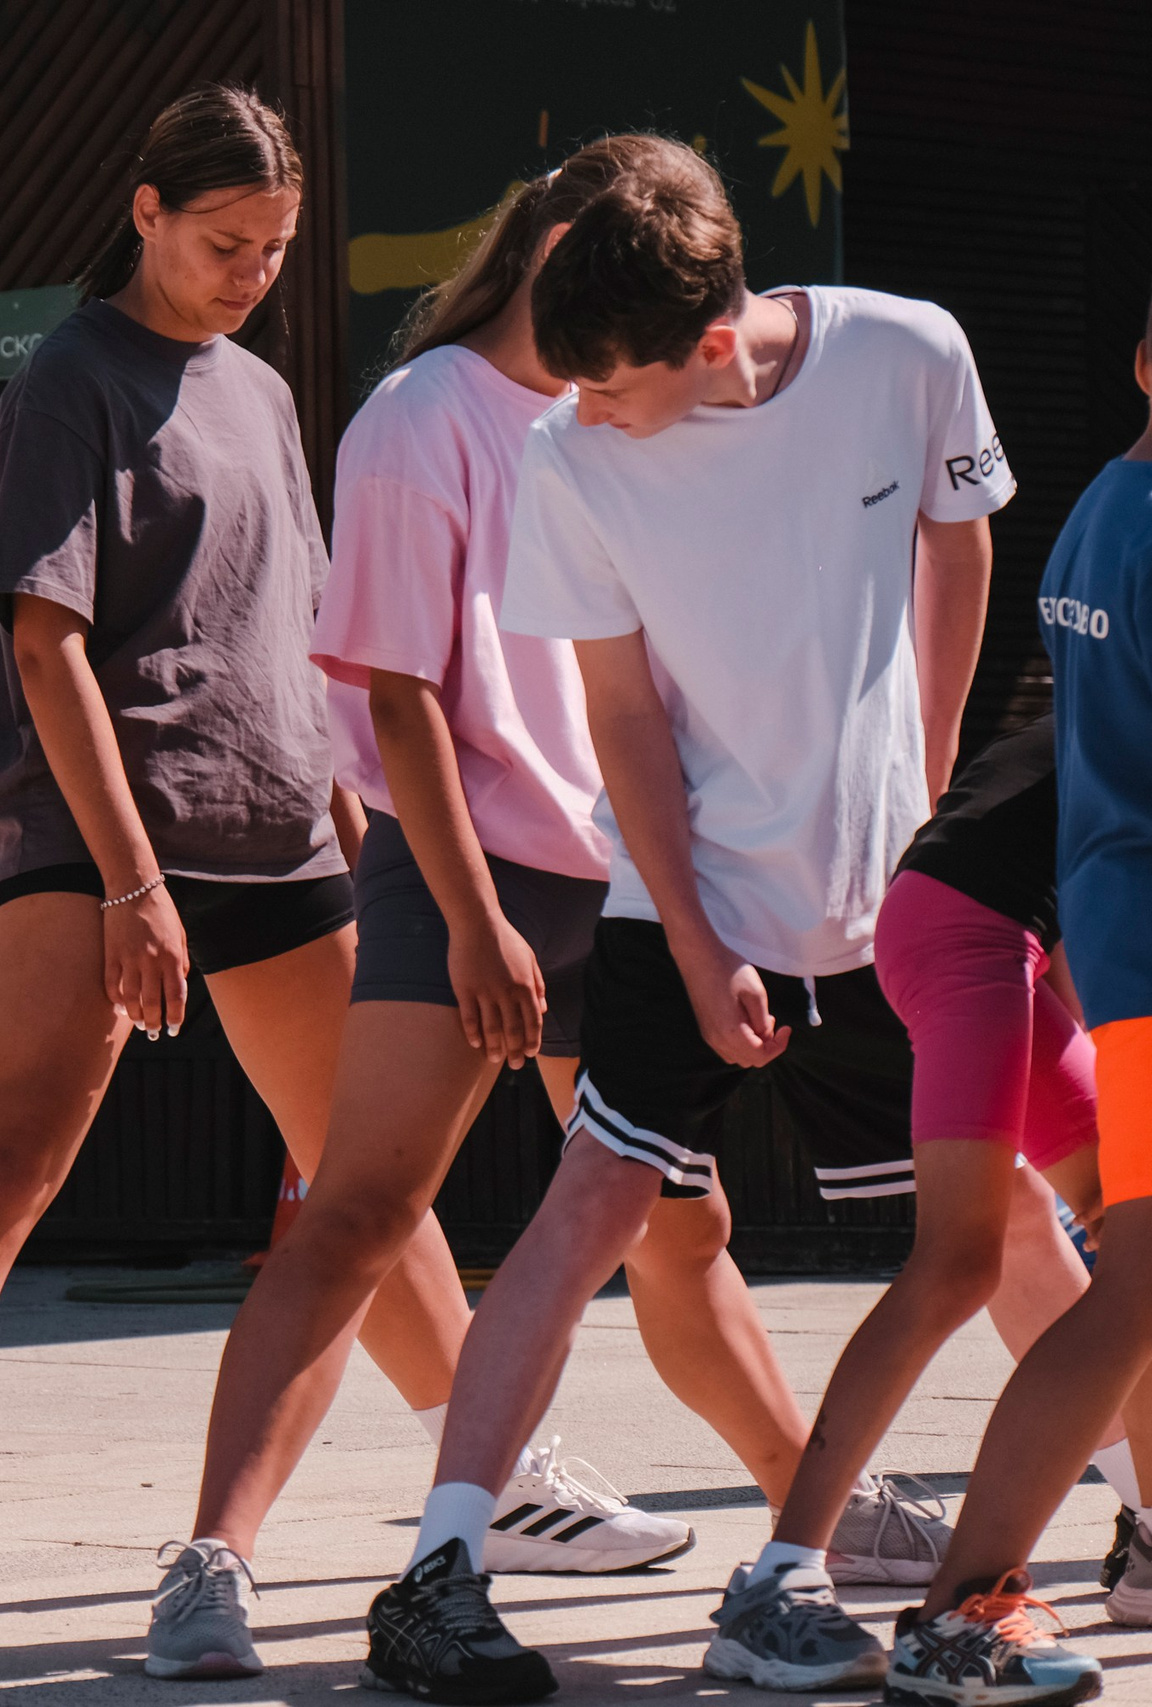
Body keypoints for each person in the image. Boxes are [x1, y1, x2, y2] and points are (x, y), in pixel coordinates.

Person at [0, 85, 492, 1667]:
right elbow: (47, 639)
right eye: (228, 241)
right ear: (147, 208)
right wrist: (125, 880)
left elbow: (295, 618)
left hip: (284, 832)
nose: (252, 271)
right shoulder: (63, 380)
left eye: (278, 249)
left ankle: (493, 1486)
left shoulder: (259, 387)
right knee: (6, 1164)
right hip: (107, 837)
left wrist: (356, 814)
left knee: (366, 1180)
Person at [166, 137, 863, 1683]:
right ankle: (212, 1558)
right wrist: (475, 919)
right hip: (470, 865)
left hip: (632, 868)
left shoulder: (634, 407)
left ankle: (815, 1495)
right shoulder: (423, 415)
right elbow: (398, 691)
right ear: (548, 240)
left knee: (684, 1229)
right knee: (356, 1208)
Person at [366, 137, 1015, 1702]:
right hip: (685, 894)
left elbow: (960, 543)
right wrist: (706, 935)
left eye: (610, 386)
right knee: (588, 1205)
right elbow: (622, 715)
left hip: (888, 897)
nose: (582, 410)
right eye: (568, 386)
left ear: (714, 340)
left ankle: (1126, 1511)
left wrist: (920, 785)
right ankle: (440, 1568)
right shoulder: (566, 459)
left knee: (1017, 1231)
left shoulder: (910, 349)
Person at [706, 712, 1152, 1691]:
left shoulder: (1099, 672)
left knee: (1133, 1253)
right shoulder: (1121, 667)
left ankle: (1151, 1543)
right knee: (956, 1262)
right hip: (964, 937)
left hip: (974, 931)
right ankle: (782, 1581)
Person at [879, 306, 1152, 1707]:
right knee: (1132, 1282)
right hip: (1134, 947)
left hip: (1111, 933)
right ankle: (961, 1604)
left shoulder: (1103, 509)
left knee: (1134, 1271)